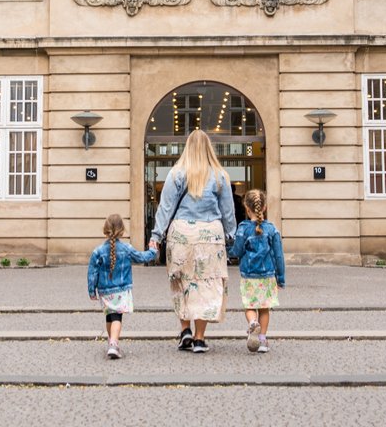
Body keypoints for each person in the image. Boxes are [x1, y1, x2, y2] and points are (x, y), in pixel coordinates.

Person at [149, 129, 237, 354]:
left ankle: (185, 329)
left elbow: (165, 208)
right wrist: (231, 236)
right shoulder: (220, 175)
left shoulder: (176, 173)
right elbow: (228, 212)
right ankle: (199, 338)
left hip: (181, 235)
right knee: (206, 285)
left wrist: (156, 236)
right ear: (209, 148)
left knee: (181, 281)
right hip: (210, 235)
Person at [87, 213, 157, 359]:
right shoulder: (126, 248)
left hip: (104, 290)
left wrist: (91, 290)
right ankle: (113, 344)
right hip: (121, 290)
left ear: (105, 229)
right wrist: (153, 251)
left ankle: (112, 341)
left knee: (109, 316)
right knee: (117, 317)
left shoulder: (97, 251)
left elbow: (92, 273)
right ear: (122, 231)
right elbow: (141, 257)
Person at [228, 188, 285, 354]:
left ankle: (253, 323)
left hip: (248, 276)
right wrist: (280, 278)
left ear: (247, 208)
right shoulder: (272, 229)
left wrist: (230, 253)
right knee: (265, 308)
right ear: (264, 207)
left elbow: (237, 251)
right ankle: (262, 340)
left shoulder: (243, 228)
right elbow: (279, 256)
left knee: (250, 306)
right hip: (268, 276)